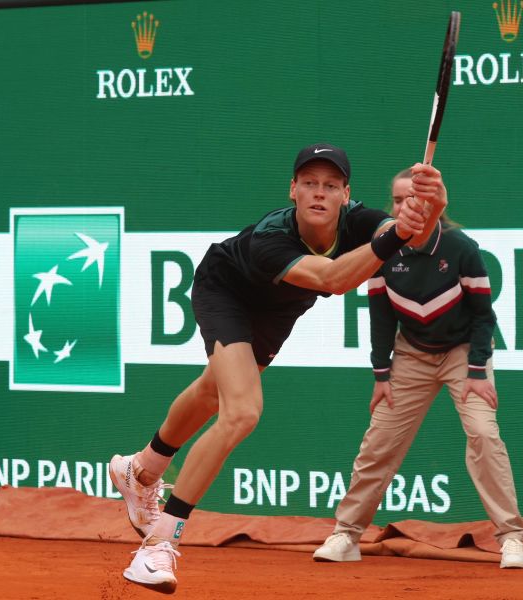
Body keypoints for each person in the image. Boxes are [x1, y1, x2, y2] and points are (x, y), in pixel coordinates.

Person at [107, 143, 449, 593]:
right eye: (309, 183)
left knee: (214, 390)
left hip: (276, 311)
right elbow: (333, 279)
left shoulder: (361, 221)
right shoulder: (272, 237)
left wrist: (431, 207)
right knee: (242, 410)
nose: (319, 193)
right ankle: (158, 543)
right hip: (226, 289)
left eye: (330, 185)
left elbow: (415, 235)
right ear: (293, 189)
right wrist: (396, 236)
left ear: (347, 194)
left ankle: (140, 469)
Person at [311, 168, 523, 569]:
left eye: (410, 198)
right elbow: (380, 315)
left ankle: (511, 538)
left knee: (483, 433)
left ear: (430, 203)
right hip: (410, 355)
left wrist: (478, 371)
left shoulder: (462, 248)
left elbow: (484, 315)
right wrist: (381, 374)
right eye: (395, 200)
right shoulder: (380, 250)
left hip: (463, 353)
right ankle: (346, 534)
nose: (402, 207)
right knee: (379, 442)